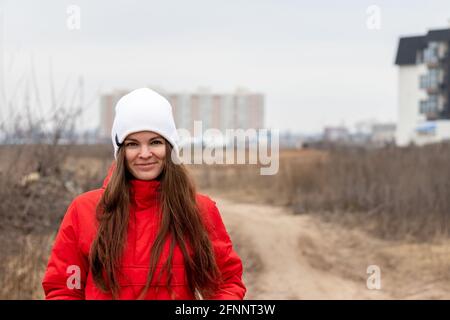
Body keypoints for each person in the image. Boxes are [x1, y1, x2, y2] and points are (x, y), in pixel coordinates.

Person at [42, 88, 246, 300]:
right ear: (120, 151)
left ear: (169, 148)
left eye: (155, 142)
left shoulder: (198, 210)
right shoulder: (84, 210)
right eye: (133, 144)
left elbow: (226, 283)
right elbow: (63, 289)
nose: (145, 154)